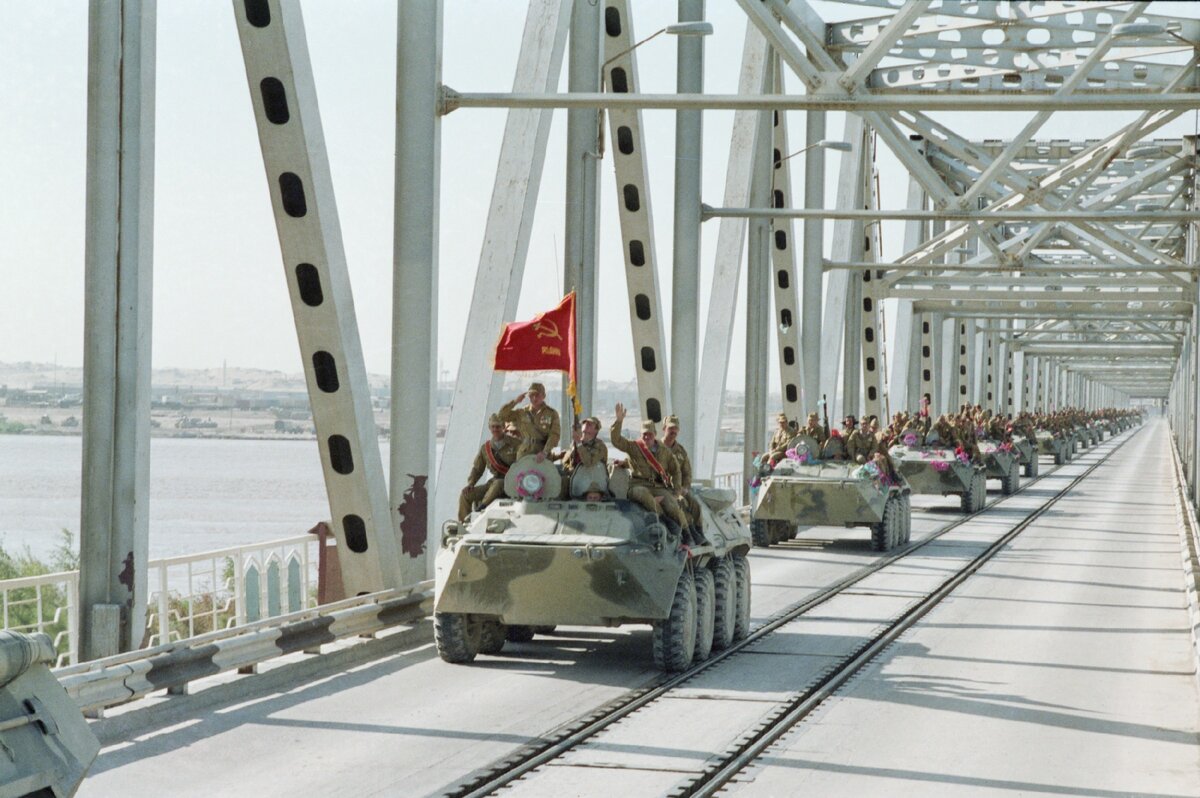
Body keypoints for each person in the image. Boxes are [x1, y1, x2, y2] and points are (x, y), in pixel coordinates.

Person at [609, 403, 694, 540]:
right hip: (638, 485)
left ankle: (686, 533)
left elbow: (676, 470)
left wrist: (676, 491)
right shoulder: (634, 447)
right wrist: (619, 421)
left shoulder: (664, 451)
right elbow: (616, 440)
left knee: (672, 505)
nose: (647, 438)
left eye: (649, 434)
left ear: (655, 434)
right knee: (641, 493)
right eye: (644, 435)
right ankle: (664, 519)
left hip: (658, 487)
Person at [458, 414, 521, 521]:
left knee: (499, 483)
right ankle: (464, 523)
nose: (495, 429)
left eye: (498, 426)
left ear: (503, 427)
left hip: (513, 483)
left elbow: (525, 462)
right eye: (493, 427)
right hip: (493, 483)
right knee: (465, 495)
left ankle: (480, 509)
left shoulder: (516, 444)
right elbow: (477, 469)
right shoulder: (486, 448)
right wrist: (471, 484)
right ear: (490, 428)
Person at [498, 381, 561, 461]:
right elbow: (501, 416)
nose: (534, 398)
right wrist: (515, 402)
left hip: (543, 453)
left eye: (537, 395)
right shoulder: (522, 412)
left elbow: (554, 435)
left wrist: (545, 452)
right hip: (525, 452)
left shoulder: (552, 413)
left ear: (544, 396)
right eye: (531, 395)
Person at [661, 414, 702, 527]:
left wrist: (685, 487)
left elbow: (687, 473)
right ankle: (686, 532)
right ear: (664, 428)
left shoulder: (681, 452)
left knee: (695, 505)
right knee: (680, 503)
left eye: (676, 428)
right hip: (662, 488)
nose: (673, 431)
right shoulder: (656, 448)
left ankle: (699, 532)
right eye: (670, 428)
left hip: (678, 488)